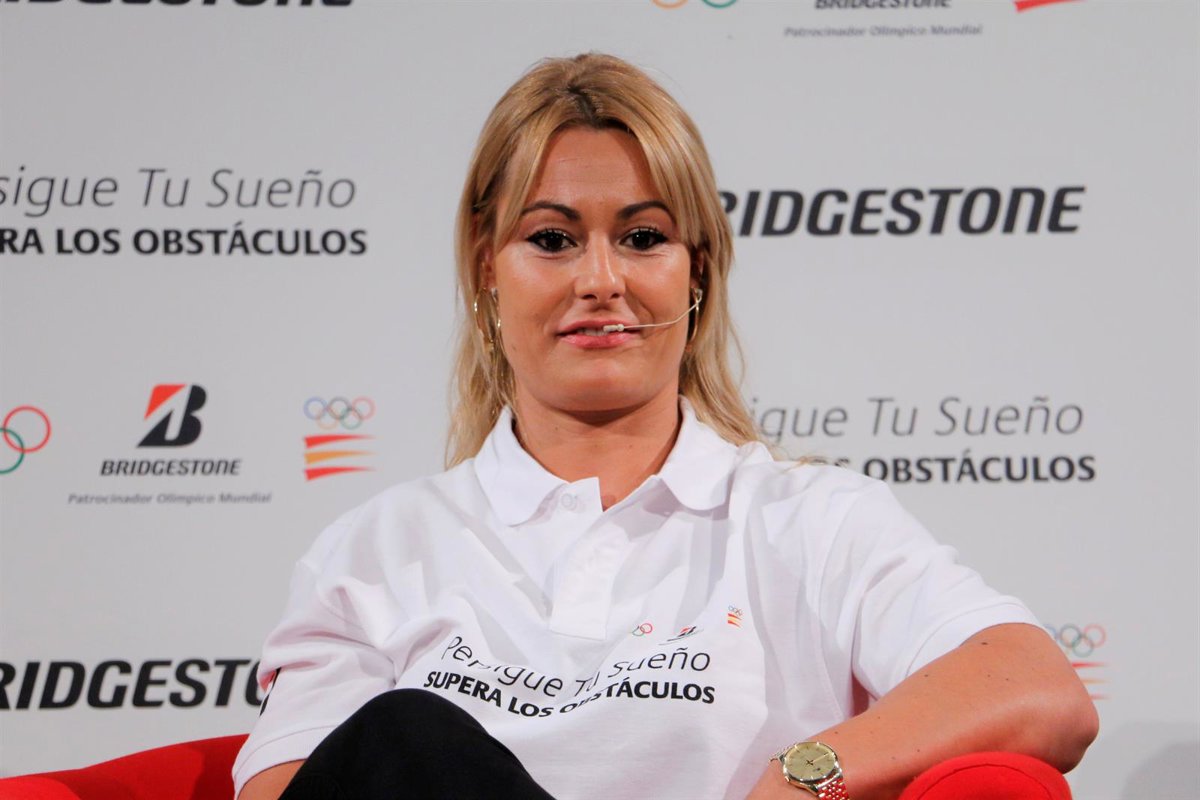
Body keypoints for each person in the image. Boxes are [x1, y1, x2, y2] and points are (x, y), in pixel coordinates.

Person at [234, 53, 1097, 800]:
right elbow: (296, 790)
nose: (600, 280)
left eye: (643, 237)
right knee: (406, 739)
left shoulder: (812, 520)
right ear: (486, 266)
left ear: (697, 272)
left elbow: (1038, 689)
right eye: (552, 239)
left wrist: (800, 777)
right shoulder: (377, 549)